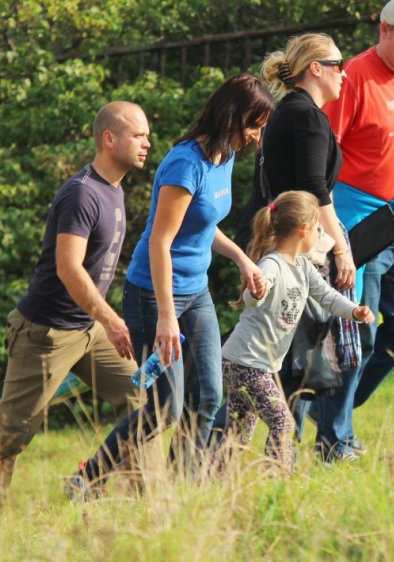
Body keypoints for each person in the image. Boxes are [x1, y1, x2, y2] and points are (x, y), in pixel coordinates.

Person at [69, 75, 274, 496]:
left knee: (210, 397)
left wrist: (241, 258)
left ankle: (184, 491)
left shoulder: (225, 156)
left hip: (195, 291)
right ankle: (87, 478)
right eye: (253, 125)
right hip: (152, 295)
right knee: (166, 406)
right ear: (232, 116)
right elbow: (161, 242)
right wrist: (165, 317)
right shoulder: (186, 164)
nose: (256, 136)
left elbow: (204, 224)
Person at [0, 102, 152, 514]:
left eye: (146, 136)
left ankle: (138, 502)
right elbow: (68, 268)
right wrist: (112, 319)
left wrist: (102, 322)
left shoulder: (115, 189)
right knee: (13, 432)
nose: (147, 143)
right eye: (138, 135)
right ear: (109, 139)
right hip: (46, 332)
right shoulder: (82, 193)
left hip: (89, 330)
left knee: (141, 396)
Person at [310, 0, 394, 461]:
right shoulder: (354, 79)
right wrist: (331, 234)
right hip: (359, 221)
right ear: (384, 30)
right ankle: (335, 441)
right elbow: (322, 161)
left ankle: (328, 411)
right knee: (356, 332)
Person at [232, 34, 361, 438]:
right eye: (339, 65)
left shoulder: (288, 112)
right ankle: (274, 453)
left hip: (281, 244)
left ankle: (235, 455)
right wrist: (342, 249)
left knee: (281, 357)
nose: (345, 74)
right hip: (293, 249)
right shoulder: (306, 116)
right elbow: (313, 190)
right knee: (294, 361)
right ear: (315, 69)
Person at [219, 191, 373, 474]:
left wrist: (354, 310)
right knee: (283, 421)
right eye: (318, 228)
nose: (320, 234)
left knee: (238, 434)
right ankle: (277, 484)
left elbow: (326, 296)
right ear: (303, 229)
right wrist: (257, 290)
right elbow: (255, 296)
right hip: (246, 363)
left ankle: (214, 483)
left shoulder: (301, 265)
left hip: (252, 364)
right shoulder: (272, 264)